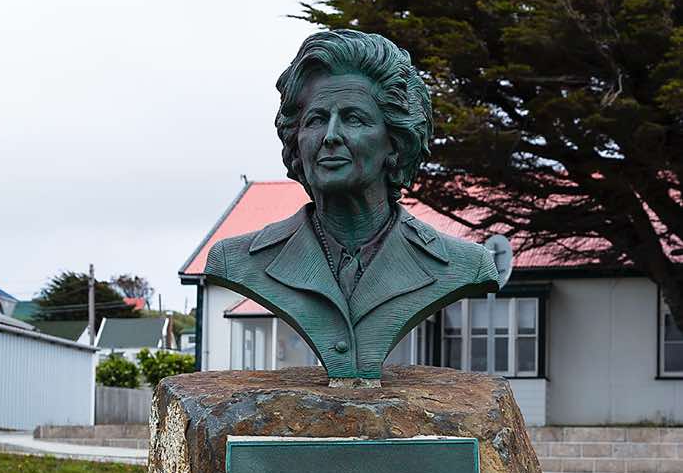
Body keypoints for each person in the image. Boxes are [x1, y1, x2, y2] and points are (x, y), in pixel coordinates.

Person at [205, 29, 498, 379]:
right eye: (315, 120)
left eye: (354, 118)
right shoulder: (236, 261)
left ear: (396, 142)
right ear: (296, 141)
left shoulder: (464, 265)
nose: (330, 136)